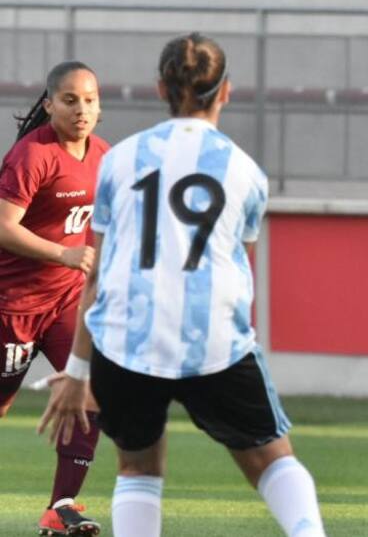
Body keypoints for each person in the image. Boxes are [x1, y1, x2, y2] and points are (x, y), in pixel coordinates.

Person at [38, 33, 326, 537]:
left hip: (129, 339)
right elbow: (241, 266)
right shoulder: (245, 173)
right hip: (213, 340)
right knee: (272, 459)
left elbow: (98, 274)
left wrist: (78, 370)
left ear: (159, 88)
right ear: (226, 91)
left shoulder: (119, 161)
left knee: (137, 470)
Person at [0, 61, 107, 536]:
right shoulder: (32, 155)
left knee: (90, 390)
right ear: (49, 104)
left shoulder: (105, 155)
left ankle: (60, 509)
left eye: (89, 99)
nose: (81, 109)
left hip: (66, 302)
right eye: (69, 99)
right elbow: (3, 227)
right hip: (12, 305)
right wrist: (64, 253)